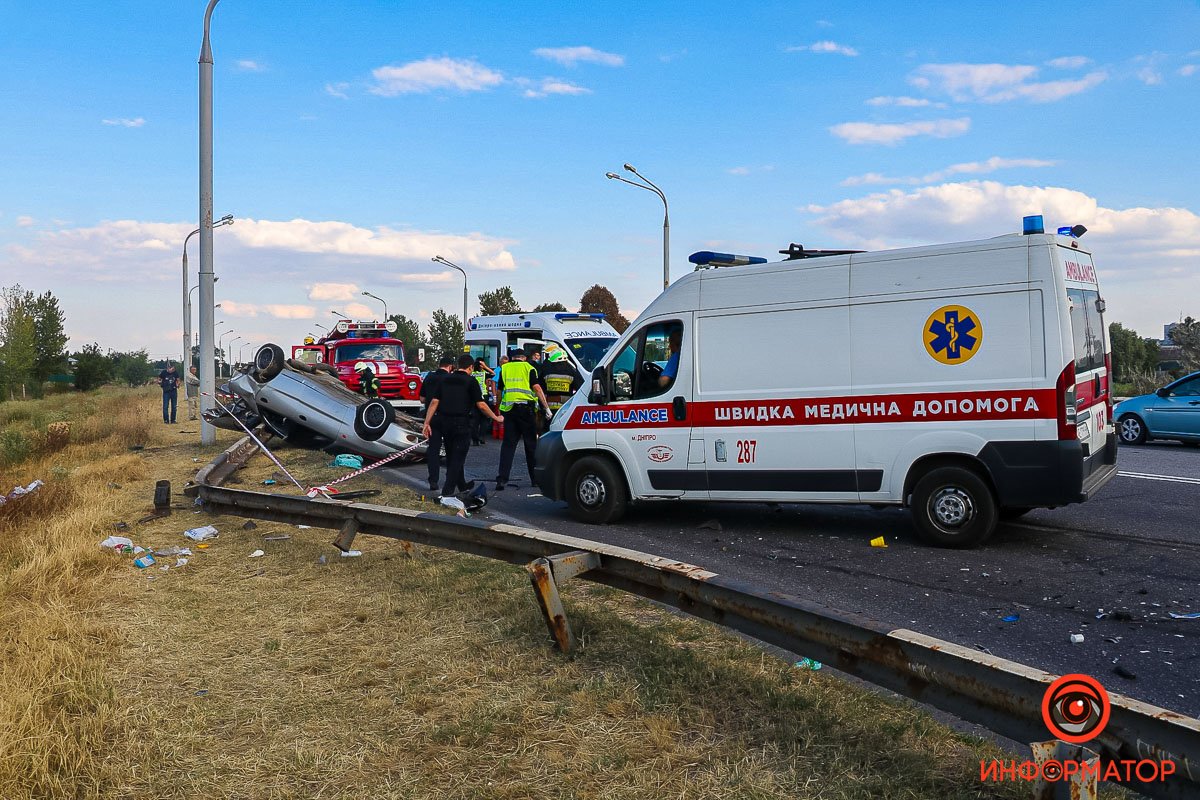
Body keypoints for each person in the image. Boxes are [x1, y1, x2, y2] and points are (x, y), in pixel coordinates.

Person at [423, 354, 503, 499]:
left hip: (444, 422)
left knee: (452, 454)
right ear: (471, 367)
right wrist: (496, 417)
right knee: (457, 458)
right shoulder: (471, 381)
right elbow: (481, 404)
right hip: (461, 423)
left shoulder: (445, 379)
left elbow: (434, 402)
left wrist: (427, 423)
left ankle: (462, 485)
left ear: (457, 365)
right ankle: (447, 492)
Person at [495, 347, 551, 491]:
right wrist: (546, 407)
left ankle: (502, 480)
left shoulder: (505, 369)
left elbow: (500, 390)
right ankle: (535, 479)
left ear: (513, 358)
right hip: (526, 411)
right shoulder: (529, 368)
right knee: (531, 445)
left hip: (510, 411)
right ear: (524, 358)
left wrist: (499, 407)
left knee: (508, 445)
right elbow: (537, 388)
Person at [420, 355, 456, 491]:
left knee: (433, 449)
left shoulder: (429, 377)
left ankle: (433, 480)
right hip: (447, 417)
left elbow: (422, 399)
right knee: (450, 449)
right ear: (450, 367)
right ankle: (450, 480)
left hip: (432, 418)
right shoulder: (450, 379)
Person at [540, 343, 583, 420]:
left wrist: (543, 408)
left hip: (549, 409)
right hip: (565, 409)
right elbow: (581, 389)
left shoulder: (545, 371)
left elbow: (540, 390)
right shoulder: (572, 371)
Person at [470, 356, 496, 445]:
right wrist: (485, 367)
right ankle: (481, 436)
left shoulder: (471, 373)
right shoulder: (484, 373)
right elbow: (493, 374)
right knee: (484, 418)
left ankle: (475, 440)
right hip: (483, 397)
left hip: (472, 397)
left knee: (474, 419)